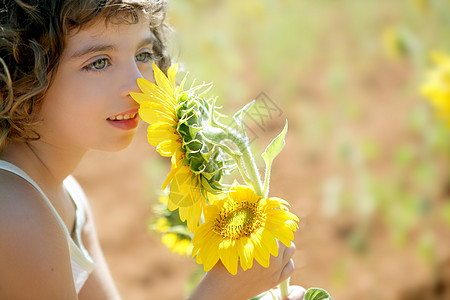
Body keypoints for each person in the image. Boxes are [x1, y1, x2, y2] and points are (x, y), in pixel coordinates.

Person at [0, 0, 305, 299]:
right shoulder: (15, 212)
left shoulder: (66, 194)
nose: (138, 84)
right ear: (22, 70)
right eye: (98, 62)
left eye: (143, 54)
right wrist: (221, 292)